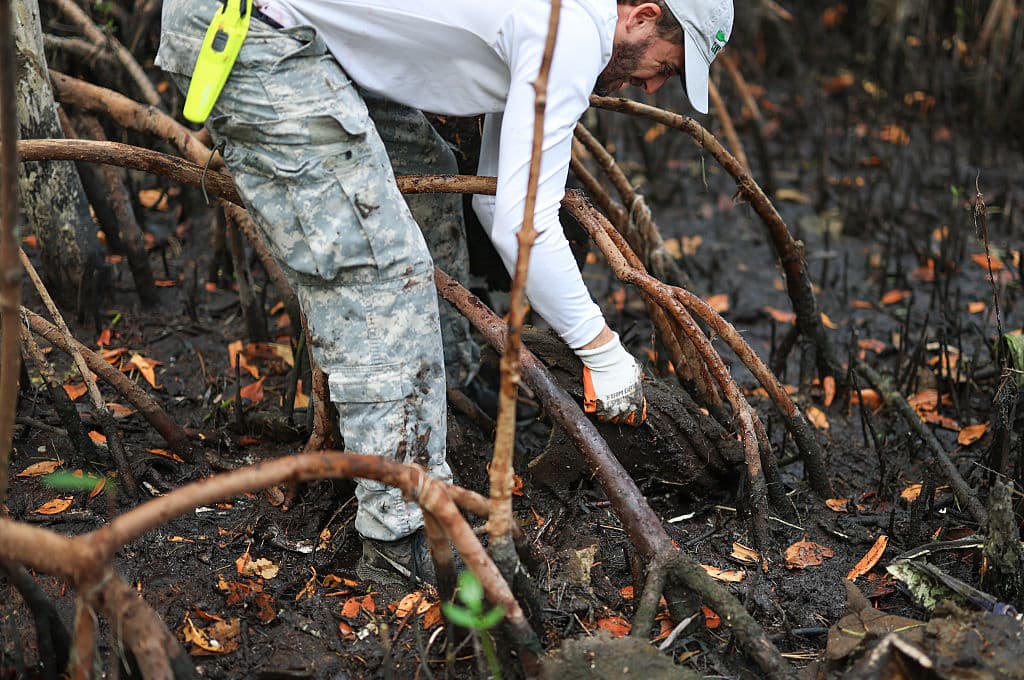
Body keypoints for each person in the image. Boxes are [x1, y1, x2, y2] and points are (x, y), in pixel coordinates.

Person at [156, 0, 733, 586]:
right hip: (251, 30)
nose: (658, 86)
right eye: (669, 64)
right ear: (641, 15)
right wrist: (601, 349)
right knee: (384, 273)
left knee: (426, 179)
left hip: (309, 36)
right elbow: (522, 223)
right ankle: (401, 533)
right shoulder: (573, 34)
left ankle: (447, 401)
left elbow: (492, 199)